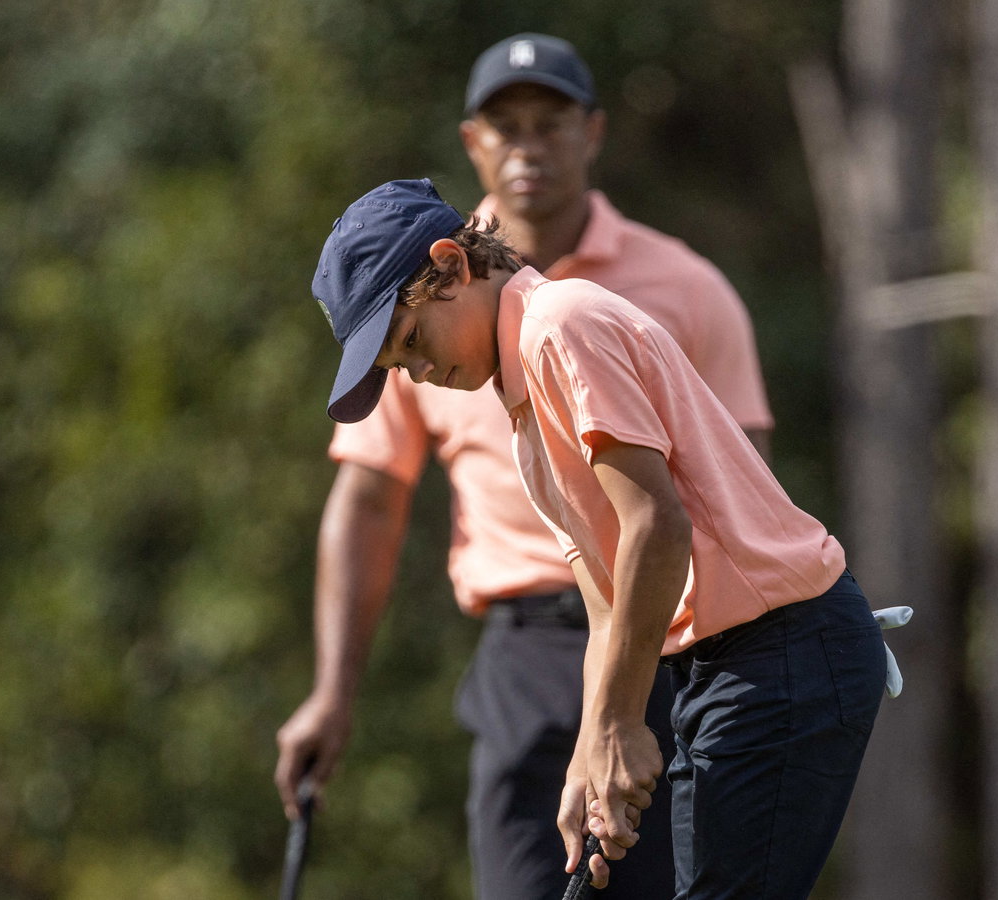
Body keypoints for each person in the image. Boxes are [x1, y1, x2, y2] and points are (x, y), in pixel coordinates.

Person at [274, 33, 772, 900]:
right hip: (530, 651)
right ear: (473, 142)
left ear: (593, 132)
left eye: (552, 123)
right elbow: (369, 504)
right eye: (507, 127)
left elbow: (742, 488)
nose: (528, 147)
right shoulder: (405, 303)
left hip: (677, 642)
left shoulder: (686, 288)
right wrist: (332, 691)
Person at [309, 178, 887, 898]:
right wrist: (591, 751)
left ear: (452, 265)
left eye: (413, 341)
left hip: (783, 652)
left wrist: (620, 723)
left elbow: (657, 524)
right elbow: (607, 604)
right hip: (726, 665)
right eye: (401, 369)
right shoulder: (521, 392)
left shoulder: (559, 325)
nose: (420, 376)